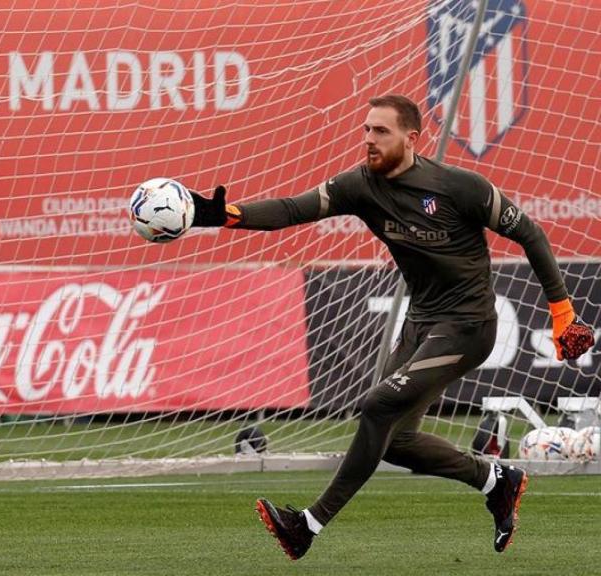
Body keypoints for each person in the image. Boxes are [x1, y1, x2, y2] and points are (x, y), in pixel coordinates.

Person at [190, 94, 595, 560]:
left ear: (412, 138)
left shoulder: (460, 187)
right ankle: (494, 480)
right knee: (396, 442)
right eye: (365, 130)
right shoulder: (360, 185)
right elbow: (291, 209)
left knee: (379, 406)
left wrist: (562, 311)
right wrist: (226, 216)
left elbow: (531, 234)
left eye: (380, 131)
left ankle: (308, 524)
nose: (368, 140)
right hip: (420, 323)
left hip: (468, 327)